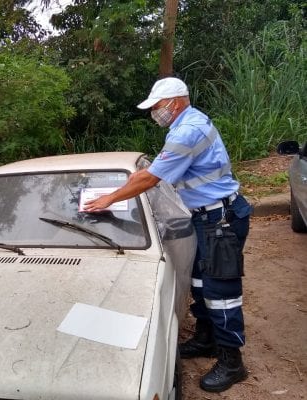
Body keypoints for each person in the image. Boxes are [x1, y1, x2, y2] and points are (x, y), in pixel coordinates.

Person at [84, 77, 252, 393]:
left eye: (157, 107)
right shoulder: (184, 124)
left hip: (221, 221)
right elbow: (155, 175)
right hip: (208, 218)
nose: (154, 113)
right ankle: (206, 339)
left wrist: (109, 198)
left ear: (174, 102)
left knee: (222, 293)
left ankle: (232, 362)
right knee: (201, 283)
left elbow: (150, 178)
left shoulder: (187, 131)